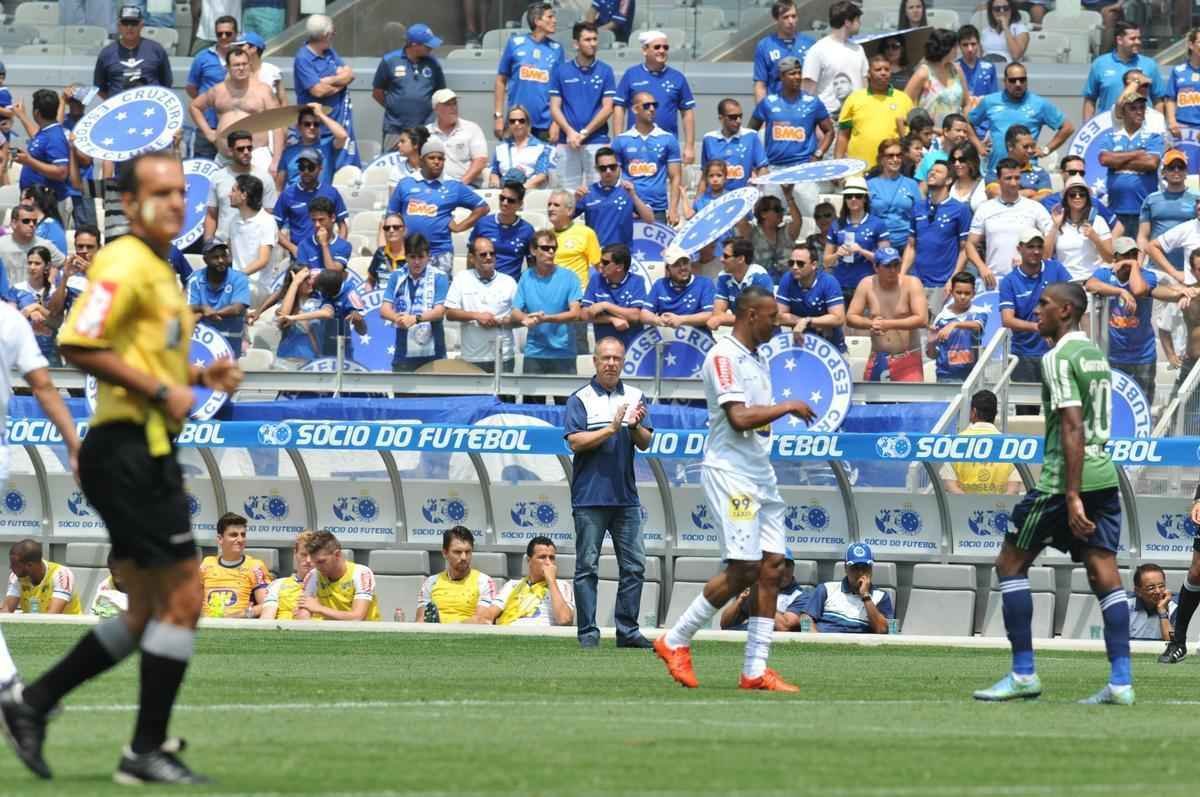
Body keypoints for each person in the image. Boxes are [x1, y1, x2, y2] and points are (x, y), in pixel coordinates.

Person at [1, 151, 243, 784]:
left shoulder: (162, 272)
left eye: (181, 193)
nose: (174, 203)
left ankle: (32, 704)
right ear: (130, 204)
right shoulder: (122, 262)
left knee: (143, 613)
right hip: (128, 451)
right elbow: (79, 342)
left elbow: (149, 365)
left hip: (147, 449)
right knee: (185, 597)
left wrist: (196, 375)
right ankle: (143, 750)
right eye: (159, 193)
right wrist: (165, 393)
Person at [975, 282, 1134, 705]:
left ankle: (1024, 673)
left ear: (1065, 310)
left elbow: (1071, 425)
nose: (1036, 310)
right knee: (1105, 576)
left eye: (1044, 304)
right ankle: (1121, 683)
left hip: (1063, 481)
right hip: (1104, 475)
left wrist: (1071, 495)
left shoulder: (1057, 357)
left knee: (1010, 565)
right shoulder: (1096, 354)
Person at [654, 285, 816, 691]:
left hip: (760, 473)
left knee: (773, 566)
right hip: (732, 475)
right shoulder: (723, 356)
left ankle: (755, 669)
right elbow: (739, 418)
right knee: (743, 568)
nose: (778, 324)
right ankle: (674, 640)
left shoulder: (757, 357)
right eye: (772, 317)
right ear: (750, 316)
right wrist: (788, 406)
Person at [564, 336, 653, 648]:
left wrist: (633, 427)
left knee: (635, 566)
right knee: (586, 567)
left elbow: (645, 442)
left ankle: (627, 631)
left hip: (626, 498)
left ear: (623, 361)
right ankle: (588, 634)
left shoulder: (636, 395)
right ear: (595, 361)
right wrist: (611, 429)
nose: (612, 363)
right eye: (606, 358)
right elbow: (574, 441)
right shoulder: (580, 398)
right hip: (589, 497)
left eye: (617, 358)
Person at [1086, 236, 1188, 403]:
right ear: (1115, 258)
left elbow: (1139, 290)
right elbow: (1090, 285)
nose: (1131, 259)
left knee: (1143, 406)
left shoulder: (1146, 275)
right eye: (1126, 255)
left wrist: (1133, 266)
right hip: (1113, 356)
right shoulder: (1105, 274)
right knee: (1114, 405)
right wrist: (1120, 292)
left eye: (1134, 255)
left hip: (1142, 356)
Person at [387, 139, 488, 276]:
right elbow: (391, 214)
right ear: (422, 160)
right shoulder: (406, 183)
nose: (437, 161)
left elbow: (482, 207)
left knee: (439, 293)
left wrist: (460, 227)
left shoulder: (453, 185)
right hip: (410, 252)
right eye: (432, 158)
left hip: (440, 252)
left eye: (440, 158)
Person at [750, 56, 833, 214]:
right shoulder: (768, 102)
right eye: (792, 73)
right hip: (774, 170)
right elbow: (750, 133)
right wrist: (759, 164)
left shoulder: (812, 102)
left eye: (798, 73)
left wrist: (818, 154)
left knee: (809, 219)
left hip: (803, 170)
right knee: (771, 220)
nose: (797, 77)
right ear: (781, 76)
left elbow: (829, 131)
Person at [969, 62, 1073, 181]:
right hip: (997, 171)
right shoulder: (989, 101)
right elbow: (968, 123)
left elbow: (1068, 127)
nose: (1018, 84)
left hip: (1027, 174)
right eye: (1013, 80)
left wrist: (1046, 150)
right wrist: (978, 145)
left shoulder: (1039, 104)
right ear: (1005, 81)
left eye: (1022, 80)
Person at [967, 159, 1056, 289]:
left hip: (1028, 279)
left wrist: (1036, 260)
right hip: (995, 280)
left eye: (1017, 178)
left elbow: (1050, 237)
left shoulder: (1034, 207)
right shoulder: (985, 208)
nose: (1014, 183)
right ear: (998, 180)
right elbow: (970, 244)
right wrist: (982, 268)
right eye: (1008, 178)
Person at [549, 21, 617, 191]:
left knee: (599, 192)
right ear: (575, 43)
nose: (593, 43)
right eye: (587, 40)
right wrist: (570, 132)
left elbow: (608, 108)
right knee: (567, 194)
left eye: (595, 39)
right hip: (568, 142)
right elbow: (555, 107)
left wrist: (585, 132)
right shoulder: (560, 71)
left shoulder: (606, 71)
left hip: (596, 141)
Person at [999, 227, 1072, 384]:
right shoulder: (1009, 281)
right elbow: (1008, 320)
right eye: (1031, 246)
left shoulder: (1056, 269)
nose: (1036, 251)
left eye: (1039, 246)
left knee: (1059, 406)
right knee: (1026, 408)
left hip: (1056, 353)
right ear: (1020, 249)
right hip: (1024, 355)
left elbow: (1073, 298)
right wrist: (1039, 328)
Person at [848, 245, 928, 382]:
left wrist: (887, 324)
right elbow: (850, 317)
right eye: (887, 266)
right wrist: (870, 323)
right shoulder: (866, 284)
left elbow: (922, 319)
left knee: (911, 402)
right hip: (878, 358)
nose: (893, 270)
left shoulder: (912, 283)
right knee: (873, 402)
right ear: (876, 267)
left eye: (896, 265)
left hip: (907, 359)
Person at [613, 29, 697, 161]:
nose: (662, 50)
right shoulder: (631, 74)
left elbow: (687, 113)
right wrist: (618, 141)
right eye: (657, 47)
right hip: (635, 146)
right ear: (645, 50)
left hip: (667, 146)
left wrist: (689, 146)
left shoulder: (678, 77)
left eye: (665, 47)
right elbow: (619, 108)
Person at [293, 14, 359, 172]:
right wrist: (339, 81)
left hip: (341, 125)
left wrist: (327, 81)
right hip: (320, 131)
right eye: (333, 33)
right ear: (325, 35)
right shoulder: (303, 58)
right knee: (322, 173)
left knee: (347, 173)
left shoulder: (329, 52)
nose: (334, 36)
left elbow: (350, 74)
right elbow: (318, 91)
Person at [511, 229, 583, 374]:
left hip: (564, 352)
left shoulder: (570, 277)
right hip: (534, 352)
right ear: (533, 250)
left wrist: (546, 319)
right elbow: (515, 311)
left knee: (565, 397)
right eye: (545, 248)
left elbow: (575, 313)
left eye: (553, 248)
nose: (551, 252)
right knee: (530, 398)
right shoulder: (526, 277)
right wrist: (525, 318)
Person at [446, 236, 518, 373]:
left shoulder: (509, 282)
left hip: (504, 357)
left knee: (505, 395)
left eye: (492, 253)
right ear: (472, 258)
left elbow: (520, 318)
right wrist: (477, 316)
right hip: (473, 358)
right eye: (483, 254)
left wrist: (500, 321)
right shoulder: (462, 279)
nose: (489, 257)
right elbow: (450, 313)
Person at [494, 2, 563, 142]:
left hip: (545, 125)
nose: (554, 20)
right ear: (537, 21)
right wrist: (499, 116)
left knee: (543, 164)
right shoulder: (515, 44)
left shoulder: (557, 49)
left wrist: (556, 122)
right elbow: (500, 81)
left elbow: (560, 90)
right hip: (517, 122)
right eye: (550, 17)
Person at [380, 233, 449, 372]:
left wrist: (414, 319)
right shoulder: (397, 276)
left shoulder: (439, 277)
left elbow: (440, 312)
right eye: (412, 257)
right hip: (403, 351)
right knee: (402, 393)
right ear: (405, 256)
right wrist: (397, 318)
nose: (417, 262)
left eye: (421, 257)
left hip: (433, 351)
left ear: (428, 256)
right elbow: (384, 310)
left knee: (434, 393)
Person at [1099, 91, 1164, 236]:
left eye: (1142, 108)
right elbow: (1104, 160)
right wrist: (1136, 153)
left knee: (1141, 255)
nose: (1139, 111)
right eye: (1133, 108)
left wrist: (1117, 161)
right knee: (1116, 255)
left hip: (1143, 211)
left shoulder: (1153, 137)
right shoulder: (1111, 136)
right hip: (1116, 210)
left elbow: (1151, 163)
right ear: (1123, 112)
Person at [373, 23, 446, 151]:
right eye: (427, 45)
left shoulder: (433, 63)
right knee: (392, 165)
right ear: (414, 44)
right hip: (395, 129)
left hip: (425, 129)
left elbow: (440, 94)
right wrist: (394, 107)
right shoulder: (390, 61)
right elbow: (377, 92)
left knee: (422, 165)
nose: (431, 48)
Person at [613, 91, 682, 224]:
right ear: (634, 109)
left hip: (658, 208)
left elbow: (675, 177)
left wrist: (673, 209)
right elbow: (614, 177)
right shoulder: (621, 140)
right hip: (628, 206)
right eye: (646, 106)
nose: (651, 109)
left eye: (654, 105)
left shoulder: (668, 138)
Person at [904, 160, 971, 295]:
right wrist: (901, 274)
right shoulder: (918, 207)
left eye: (938, 171)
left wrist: (953, 278)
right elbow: (911, 245)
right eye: (931, 171)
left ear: (948, 180)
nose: (932, 173)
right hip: (916, 282)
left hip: (943, 285)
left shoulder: (960, 209)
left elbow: (965, 249)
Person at [940, 389, 1024, 494]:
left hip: (963, 508)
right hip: (999, 508)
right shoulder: (1010, 445)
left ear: (973, 412)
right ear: (995, 414)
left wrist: (971, 504)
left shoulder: (957, 443)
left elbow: (950, 485)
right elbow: (1014, 488)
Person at [836, 55, 911, 171]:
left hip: (893, 168)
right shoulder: (854, 98)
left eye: (887, 69)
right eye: (878, 70)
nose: (883, 73)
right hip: (859, 168)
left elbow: (911, 135)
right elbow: (843, 135)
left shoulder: (903, 99)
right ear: (869, 74)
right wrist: (838, 164)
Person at [274, 146, 349, 261]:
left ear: (320, 168)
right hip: (300, 257)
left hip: (327, 255)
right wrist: (293, 248)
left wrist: (338, 249)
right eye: (302, 167)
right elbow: (274, 228)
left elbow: (342, 225)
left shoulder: (331, 193)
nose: (306, 171)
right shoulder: (288, 194)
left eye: (311, 167)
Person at [204, 129, 278, 244]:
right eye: (240, 149)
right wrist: (208, 243)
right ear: (230, 151)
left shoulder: (265, 178)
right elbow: (211, 215)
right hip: (223, 246)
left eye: (249, 148)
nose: (246, 152)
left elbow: (269, 214)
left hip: (252, 245)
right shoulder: (218, 177)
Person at [1082, 21, 1166, 121]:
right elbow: (1090, 100)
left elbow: (1158, 100)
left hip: (1141, 127)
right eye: (1132, 39)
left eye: (1139, 38)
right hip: (1108, 128)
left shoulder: (1149, 65)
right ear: (1119, 40)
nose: (1138, 42)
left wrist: (1159, 126)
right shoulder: (1100, 64)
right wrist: (1087, 126)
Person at [799, 544, 892, 633]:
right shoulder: (826, 589)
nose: (860, 572)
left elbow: (882, 629)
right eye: (855, 567)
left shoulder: (881, 596)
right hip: (825, 641)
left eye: (865, 567)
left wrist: (866, 596)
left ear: (871, 569)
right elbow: (805, 617)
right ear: (845, 568)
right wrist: (815, 639)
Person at [824, 176, 890, 303]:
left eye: (858, 196)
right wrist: (837, 254)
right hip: (840, 284)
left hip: (868, 284)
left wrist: (861, 251)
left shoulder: (877, 224)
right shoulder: (837, 224)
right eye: (849, 196)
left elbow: (885, 260)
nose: (853, 199)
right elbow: (826, 261)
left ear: (865, 198)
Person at [575, 146, 654, 247]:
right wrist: (575, 199)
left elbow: (650, 219)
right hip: (595, 254)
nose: (608, 171)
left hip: (622, 255)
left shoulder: (630, 189)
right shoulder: (588, 192)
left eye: (612, 167)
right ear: (597, 169)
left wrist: (633, 196)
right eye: (603, 168)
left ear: (618, 167)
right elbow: (564, 219)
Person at [801, 0, 868, 120]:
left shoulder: (859, 50)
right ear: (847, 22)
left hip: (856, 117)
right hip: (828, 120)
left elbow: (865, 85)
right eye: (858, 20)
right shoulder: (818, 50)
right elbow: (807, 91)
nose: (860, 24)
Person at [414, 527, 496, 624]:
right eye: (457, 552)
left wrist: (452, 627)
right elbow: (421, 621)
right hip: (434, 636)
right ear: (445, 553)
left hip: (468, 636)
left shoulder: (484, 582)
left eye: (468, 552)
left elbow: (482, 620)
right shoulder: (431, 582)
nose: (464, 557)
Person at [487, 537, 575, 626]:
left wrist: (551, 581)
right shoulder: (512, 585)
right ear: (529, 561)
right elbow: (489, 615)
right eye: (542, 557)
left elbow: (565, 620)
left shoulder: (562, 586)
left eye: (551, 558)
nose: (548, 562)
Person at [294, 531, 380, 622]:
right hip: (331, 633)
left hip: (365, 633)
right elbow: (303, 611)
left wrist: (319, 608)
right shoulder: (313, 575)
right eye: (314, 562)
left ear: (337, 554)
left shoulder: (361, 573)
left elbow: (357, 617)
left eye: (321, 561)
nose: (317, 567)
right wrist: (305, 613)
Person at [775, 241, 846, 352]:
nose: (794, 267)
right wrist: (802, 321)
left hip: (831, 349)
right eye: (791, 263)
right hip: (800, 347)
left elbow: (838, 318)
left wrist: (807, 321)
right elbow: (779, 316)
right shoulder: (787, 279)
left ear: (814, 265)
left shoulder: (829, 282)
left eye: (800, 263)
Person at [198, 512, 271, 619]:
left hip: (239, 626)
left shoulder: (255, 566)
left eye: (243, 535)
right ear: (220, 539)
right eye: (234, 535)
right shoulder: (207, 564)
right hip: (207, 625)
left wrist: (243, 614)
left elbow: (267, 605)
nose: (240, 539)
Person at [1137, 149, 1198, 276]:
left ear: (1186, 172)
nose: (1176, 170)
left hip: (1190, 270)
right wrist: (1139, 265)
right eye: (1171, 167)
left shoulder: (1197, 199)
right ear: (1163, 172)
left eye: (1180, 167)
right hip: (1157, 269)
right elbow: (1143, 236)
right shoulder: (1151, 199)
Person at [185, 14, 237, 159]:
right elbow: (191, 87)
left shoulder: (242, 58)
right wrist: (207, 103)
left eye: (228, 33)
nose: (224, 37)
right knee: (204, 167)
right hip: (208, 126)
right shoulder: (202, 57)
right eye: (220, 34)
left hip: (235, 124)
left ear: (236, 34)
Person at [93, 6, 173, 100]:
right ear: (119, 26)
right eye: (125, 23)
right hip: (119, 110)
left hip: (150, 109)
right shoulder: (107, 53)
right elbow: (100, 87)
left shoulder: (156, 49)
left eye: (134, 23)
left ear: (141, 25)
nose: (129, 27)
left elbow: (166, 82)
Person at [187, 239, 251, 355]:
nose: (221, 260)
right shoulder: (195, 279)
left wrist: (209, 312)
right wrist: (202, 308)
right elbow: (186, 307)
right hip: (203, 346)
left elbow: (237, 308)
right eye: (215, 257)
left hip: (231, 346)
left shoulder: (239, 279)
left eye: (224, 256)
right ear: (205, 260)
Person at [719, 550, 809, 631]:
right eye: (777, 565)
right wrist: (740, 601)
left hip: (774, 639)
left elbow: (785, 627)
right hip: (748, 633)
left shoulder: (802, 596)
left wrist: (761, 599)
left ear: (793, 568)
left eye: (787, 565)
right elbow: (725, 625)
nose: (783, 570)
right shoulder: (753, 588)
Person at [14, 92, 70, 217]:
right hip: (34, 201)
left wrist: (28, 161)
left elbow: (61, 173)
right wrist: (21, 115)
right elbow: (38, 138)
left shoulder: (55, 137)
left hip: (47, 205)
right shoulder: (46, 131)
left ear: (37, 113)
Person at [582, 244, 646, 347]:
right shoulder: (595, 280)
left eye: (605, 262)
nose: (600, 265)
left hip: (631, 350)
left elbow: (636, 315)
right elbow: (584, 315)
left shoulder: (637, 281)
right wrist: (611, 319)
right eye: (600, 261)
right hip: (604, 348)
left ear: (619, 267)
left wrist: (606, 305)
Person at [470, 181, 535, 281]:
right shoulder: (483, 224)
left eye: (510, 200)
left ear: (520, 204)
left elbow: (532, 264)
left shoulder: (527, 230)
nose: (504, 203)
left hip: (511, 287)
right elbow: (471, 255)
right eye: (502, 198)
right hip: (482, 283)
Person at [927, 272, 986, 382]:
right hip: (945, 377)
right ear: (952, 292)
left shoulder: (978, 312)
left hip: (972, 377)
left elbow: (977, 326)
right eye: (959, 292)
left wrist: (954, 324)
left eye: (967, 293)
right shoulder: (941, 317)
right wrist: (931, 343)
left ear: (974, 293)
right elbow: (932, 355)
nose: (963, 297)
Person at [753, 0, 816, 104]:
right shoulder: (764, 46)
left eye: (793, 16)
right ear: (776, 19)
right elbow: (760, 84)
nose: (791, 21)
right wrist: (762, 114)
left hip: (804, 108)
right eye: (785, 17)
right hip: (776, 108)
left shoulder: (811, 44)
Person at [1052, 176, 1112, 283]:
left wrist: (1095, 239)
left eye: (1082, 194)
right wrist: (1054, 227)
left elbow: (1109, 258)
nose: (1077, 197)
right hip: (1065, 283)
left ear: (1087, 198)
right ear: (1066, 198)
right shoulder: (1057, 222)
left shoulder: (1098, 221)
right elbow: (1045, 256)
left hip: (1091, 282)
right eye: (1072, 194)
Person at [227, 173, 277, 301]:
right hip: (237, 283)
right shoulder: (233, 221)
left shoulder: (267, 221)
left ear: (244, 195)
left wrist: (237, 277)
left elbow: (263, 260)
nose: (229, 194)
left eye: (233, 190)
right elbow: (231, 257)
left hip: (258, 287)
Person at [276, 104, 349, 190]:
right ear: (299, 127)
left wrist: (321, 115)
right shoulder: (288, 152)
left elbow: (343, 136)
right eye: (307, 124)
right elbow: (279, 185)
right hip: (294, 200)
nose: (312, 127)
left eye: (316, 124)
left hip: (320, 199)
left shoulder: (327, 146)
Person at [708, 237, 775, 331]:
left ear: (740, 259)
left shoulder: (759, 277)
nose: (721, 259)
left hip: (765, 333)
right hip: (743, 332)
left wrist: (724, 318)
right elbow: (717, 314)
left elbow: (760, 317)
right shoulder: (723, 276)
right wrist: (722, 318)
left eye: (726, 256)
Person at [426, 89, 489, 187]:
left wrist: (460, 185)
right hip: (434, 187)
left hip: (467, 185)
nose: (453, 108)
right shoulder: (427, 133)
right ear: (436, 109)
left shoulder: (471, 128)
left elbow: (480, 161)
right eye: (447, 104)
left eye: (454, 103)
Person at [868, 138, 921, 254]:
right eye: (890, 156)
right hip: (879, 242)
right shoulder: (870, 185)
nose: (895, 159)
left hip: (906, 243)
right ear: (881, 159)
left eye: (898, 155)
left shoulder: (911, 184)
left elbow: (919, 214)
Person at [704, 99, 768, 193]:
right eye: (733, 117)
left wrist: (756, 187)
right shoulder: (709, 139)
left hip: (743, 198)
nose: (738, 120)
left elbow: (763, 167)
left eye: (740, 116)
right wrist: (697, 201)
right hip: (716, 200)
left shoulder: (751, 136)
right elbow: (704, 175)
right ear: (721, 118)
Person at [906, 28, 967, 124]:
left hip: (956, 135)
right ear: (946, 48)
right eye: (955, 46)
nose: (957, 50)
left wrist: (965, 126)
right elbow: (905, 102)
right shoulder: (923, 73)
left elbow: (966, 103)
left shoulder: (957, 70)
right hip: (930, 134)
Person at [643, 251, 716, 332]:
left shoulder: (704, 283)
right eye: (676, 264)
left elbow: (710, 315)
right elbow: (644, 314)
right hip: (666, 338)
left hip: (697, 340)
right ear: (668, 269)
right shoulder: (660, 284)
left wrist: (681, 320)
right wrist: (658, 320)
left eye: (685, 263)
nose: (682, 268)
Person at [3, 541, 81, 615]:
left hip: (68, 626)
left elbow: (52, 616)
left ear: (29, 565)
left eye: (15, 565)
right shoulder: (16, 577)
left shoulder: (61, 574)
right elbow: (6, 611)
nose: (10, 567)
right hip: (34, 626)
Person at [12, 247, 60, 366]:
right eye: (30, 263)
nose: (32, 267)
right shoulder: (17, 289)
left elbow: (57, 323)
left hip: (50, 356)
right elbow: (10, 322)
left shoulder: (55, 292)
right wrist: (27, 312)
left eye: (37, 263)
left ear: (47, 266)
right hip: (22, 356)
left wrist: (36, 307)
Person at [0, 204, 64, 289]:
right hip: (6, 297)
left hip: (35, 298)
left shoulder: (44, 245)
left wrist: (50, 279)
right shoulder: (1, 244)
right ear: (14, 223)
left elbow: (63, 263)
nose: (31, 224)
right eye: (26, 221)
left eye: (34, 221)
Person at [549, 190, 601, 295]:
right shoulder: (546, 236)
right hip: (551, 292)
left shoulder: (586, 233)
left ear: (569, 211)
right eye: (549, 205)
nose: (550, 208)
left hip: (578, 293)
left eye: (556, 205)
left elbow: (600, 267)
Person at [490, 104, 555, 188]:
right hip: (505, 192)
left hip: (529, 192)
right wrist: (496, 185)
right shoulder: (500, 148)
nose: (517, 124)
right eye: (512, 121)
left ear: (527, 123)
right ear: (508, 124)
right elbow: (494, 172)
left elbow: (542, 175)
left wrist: (520, 190)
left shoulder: (542, 148)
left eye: (521, 120)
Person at [747, 191, 804, 283]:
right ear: (763, 214)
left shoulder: (786, 232)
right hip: (759, 284)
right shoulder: (752, 232)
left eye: (782, 209)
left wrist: (789, 197)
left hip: (787, 282)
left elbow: (798, 221)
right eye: (777, 209)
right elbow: (741, 223)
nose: (781, 212)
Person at [259, 531, 316, 621]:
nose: (308, 560)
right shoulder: (278, 584)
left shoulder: (328, 586)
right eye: (303, 555)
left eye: (313, 555)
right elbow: (266, 618)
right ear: (295, 554)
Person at [984, 125, 1051, 200]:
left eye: (1032, 146)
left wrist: (1009, 196)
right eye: (1025, 147)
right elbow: (995, 195)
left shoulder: (1041, 173)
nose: (1030, 150)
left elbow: (1046, 197)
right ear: (1010, 146)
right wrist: (1029, 193)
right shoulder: (994, 173)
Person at [1166, 29, 1200, 172]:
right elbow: (1170, 98)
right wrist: (1172, 122)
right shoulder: (1178, 71)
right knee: (1181, 169)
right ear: (1191, 45)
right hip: (1182, 131)